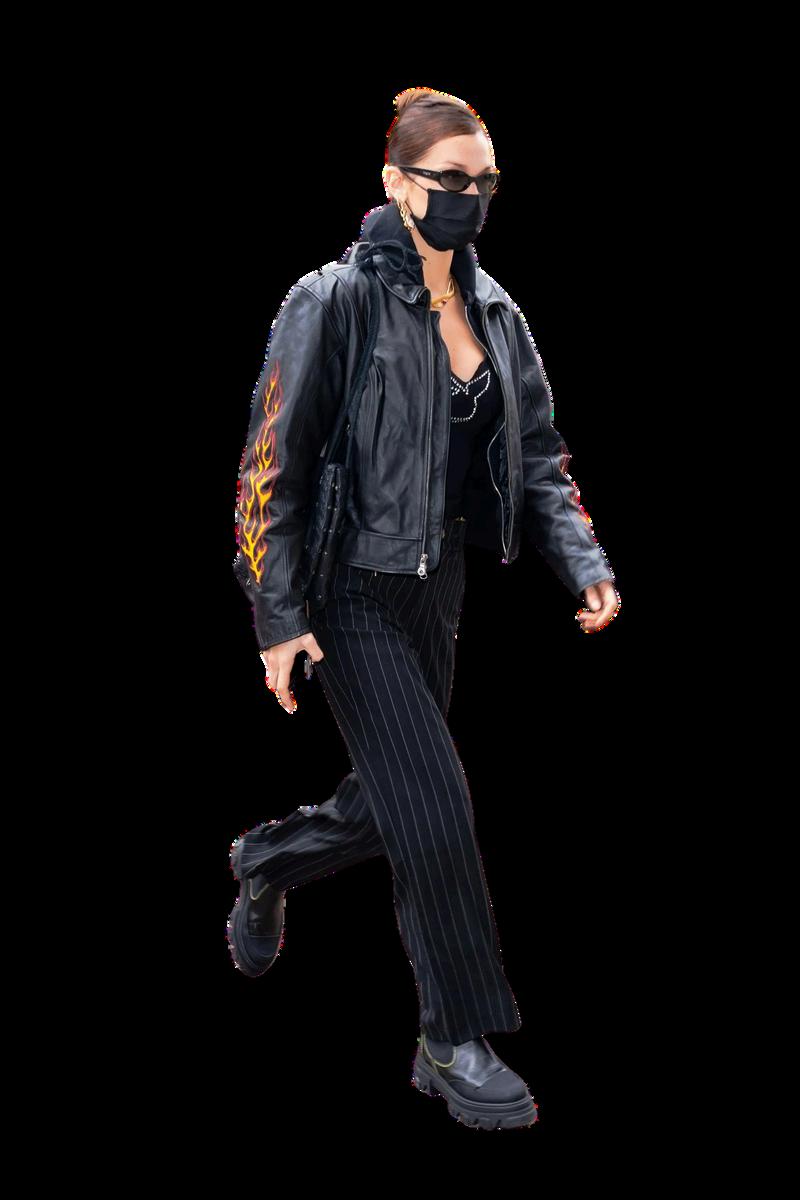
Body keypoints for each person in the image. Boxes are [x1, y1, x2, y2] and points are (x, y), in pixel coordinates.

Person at [227, 87, 620, 1131]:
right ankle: (451, 1036)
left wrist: (580, 561)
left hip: (434, 589)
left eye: (485, 180)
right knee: (437, 806)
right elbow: (269, 467)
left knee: (388, 802)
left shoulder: (495, 310)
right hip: (345, 591)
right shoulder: (331, 300)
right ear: (396, 184)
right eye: (450, 178)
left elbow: (536, 452)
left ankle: (266, 862)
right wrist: (278, 617)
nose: (470, 197)